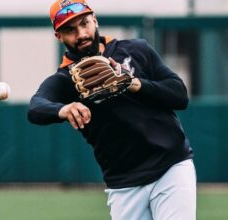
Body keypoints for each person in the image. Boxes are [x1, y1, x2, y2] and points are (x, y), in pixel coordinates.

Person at [28, 0, 196, 219]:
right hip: (124, 184)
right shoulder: (65, 80)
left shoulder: (136, 50)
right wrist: (63, 109)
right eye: (70, 30)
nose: (81, 34)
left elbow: (179, 95)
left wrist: (136, 84)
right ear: (58, 36)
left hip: (171, 167)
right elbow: (36, 107)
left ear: (95, 20)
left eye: (84, 23)